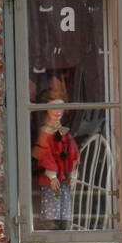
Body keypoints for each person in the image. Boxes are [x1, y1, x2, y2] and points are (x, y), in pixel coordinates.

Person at [32, 87, 79, 230]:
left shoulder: (64, 132)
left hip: (64, 176)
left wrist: (73, 173)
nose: (58, 111)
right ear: (47, 109)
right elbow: (44, 156)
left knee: (64, 200)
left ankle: (64, 223)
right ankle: (52, 224)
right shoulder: (44, 134)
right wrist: (51, 175)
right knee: (52, 201)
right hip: (51, 178)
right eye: (54, 108)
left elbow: (73, 153)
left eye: (61, 107)